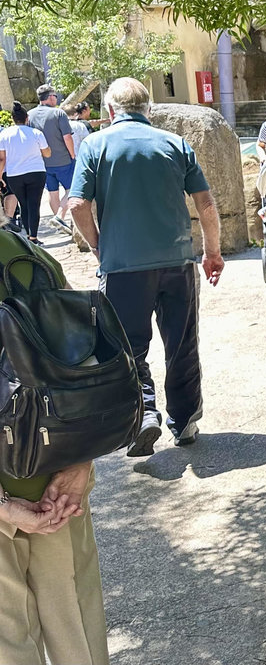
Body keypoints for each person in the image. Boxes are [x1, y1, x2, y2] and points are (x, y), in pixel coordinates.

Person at [67, 77, 224, 457]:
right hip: (176, 262)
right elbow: (205, 205)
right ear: (148, 110)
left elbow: (76, 205)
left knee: (128, 349)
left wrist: (98, 246)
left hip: (122, 267)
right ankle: (184, 421)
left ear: (110, 111)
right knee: (181, 344)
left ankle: (144, 415)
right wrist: (212, 252)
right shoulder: (175, 144)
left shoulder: (95, 144)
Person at [0, 229, 110, 665]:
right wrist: (79, 464)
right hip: (57, 482)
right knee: (77, 635)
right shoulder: (31, 258)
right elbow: (84, 372)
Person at [27, 85, 75, 234]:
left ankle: (59, 223)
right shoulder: (58, 113)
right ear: (50, 97)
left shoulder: (30, 115)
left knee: (52, 193)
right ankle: (60, 217)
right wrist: (72, 155)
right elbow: (67, 137)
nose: (57, 98)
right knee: (72, 189)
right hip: (63, 160)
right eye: (55, 95)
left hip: (42, 162)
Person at [0, 102, 51, 243]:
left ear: (12, 118)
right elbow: (47, 153)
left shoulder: (4, 134)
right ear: (27, 118)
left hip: (14, 174)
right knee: (34, 204)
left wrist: (0, 176)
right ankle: (33, 236)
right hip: (36, 171)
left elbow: (2, 159)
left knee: (23, 204)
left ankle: (29, 236)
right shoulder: (36, 133)